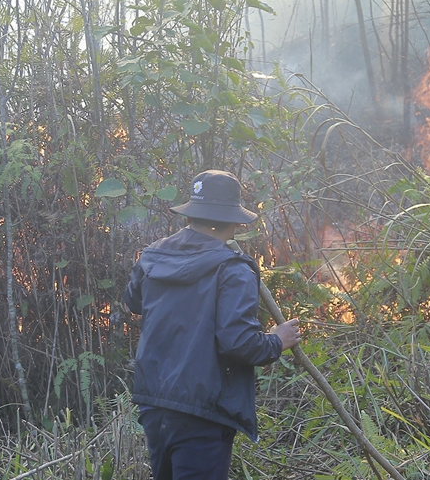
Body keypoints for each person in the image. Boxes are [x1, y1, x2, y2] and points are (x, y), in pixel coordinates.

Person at [124, 169, 301, 480]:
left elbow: (135, 302)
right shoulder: (233, 270)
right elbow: (239, 342)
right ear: (233, 222)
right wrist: (276, 341)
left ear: (192, 214)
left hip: (155, 402)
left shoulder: (153, 255)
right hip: (202, 409)